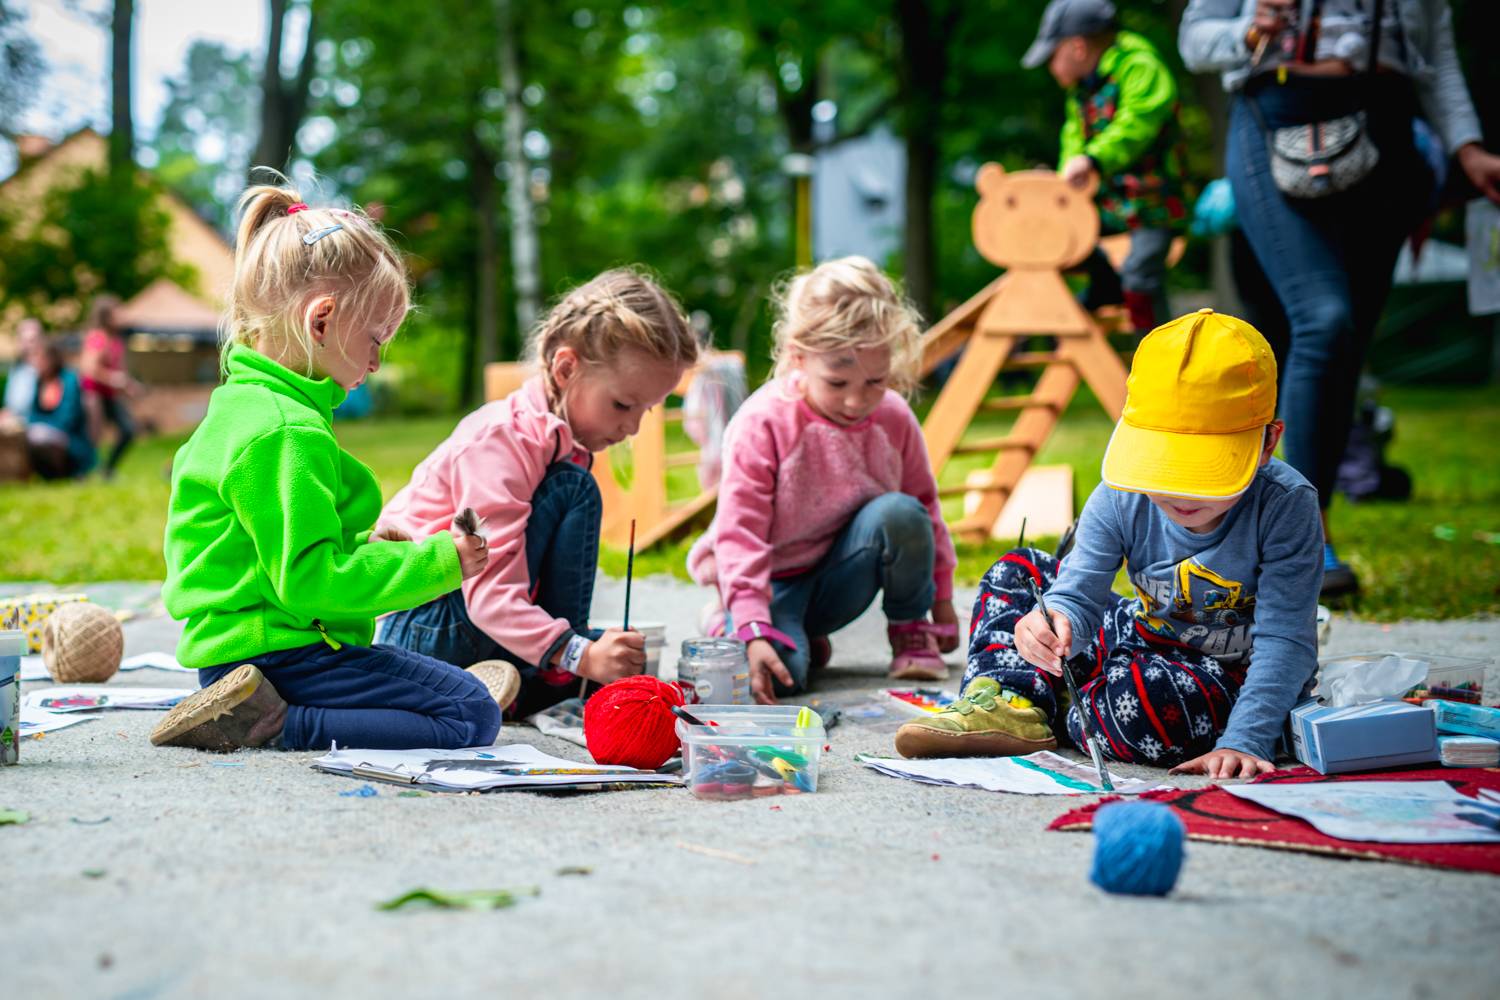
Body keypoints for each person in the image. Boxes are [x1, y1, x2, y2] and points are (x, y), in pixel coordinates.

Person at [896, 310, 1323, 779]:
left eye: (1205, 470)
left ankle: (1055, 702)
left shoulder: (1286, 505)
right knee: (1017, 572)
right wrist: (1054, 622)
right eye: (1164, 464)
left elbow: (1285, 641)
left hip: (1224, 679)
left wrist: (1246, 738)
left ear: (1267, 443)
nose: (1179, 491)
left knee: (1145, 701)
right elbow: (1078, 596)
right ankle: (1014, 703)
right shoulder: (1121, 493)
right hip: (1137, 640)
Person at [150, 182, 497, 753]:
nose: (376, 362)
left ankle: (271, 710)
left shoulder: (242, 407)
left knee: (441, 691)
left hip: (245, 653)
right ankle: (278, 723)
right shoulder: (287, 431)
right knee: (469, 712)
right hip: (280, 658)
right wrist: (439, 562)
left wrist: (367, 547)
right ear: (322, 320)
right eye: (375, 340)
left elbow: (269, 559)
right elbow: (310, 583)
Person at [1179, 0, 1500, 596]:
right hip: (1276, 117)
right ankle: (1297, 537)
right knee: (1323, 320)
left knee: (1347, 344)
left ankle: (1292, 527)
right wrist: (1249, 30)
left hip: (1387, 131)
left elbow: (1436, 58)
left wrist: (1468, 147)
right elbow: (1195, 39)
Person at [378, 269, 700, 718]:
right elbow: (489, 596)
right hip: (422, 628)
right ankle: (544, 675)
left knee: (612, 642)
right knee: (572, 487)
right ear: (566, 368)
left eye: (645, 410)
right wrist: (580, 654)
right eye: (623, 405)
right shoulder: (501, 440)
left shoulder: (554, 441)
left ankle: (535, 677)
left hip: (459, 622)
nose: (632, 427)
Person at [687, 257, 959, 705]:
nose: (856, 400)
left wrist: (941, 601)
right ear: (798, 356)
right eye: (837, 382)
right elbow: (741, 534)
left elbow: (924, 509)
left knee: (902, 513)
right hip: (770, 583)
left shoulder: (893, 417)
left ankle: (910, 632)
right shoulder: (762, 422)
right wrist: (753, 626)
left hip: (840, 577)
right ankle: (730, 622)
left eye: (875, 381)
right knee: (777, 678)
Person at [1024, 0, 1188, 332]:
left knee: (1141, 277)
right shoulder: (1080, 90)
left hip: (1152, 204)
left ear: (1078, 47)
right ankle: (1106, 286)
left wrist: (1093, 159)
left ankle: (1159, 349)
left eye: (1052, 57)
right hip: (1106, 204)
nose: (1051, 68)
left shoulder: (1139, 66)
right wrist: (1066, 177)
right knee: (1053, 238)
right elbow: (1073, 136)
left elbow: (1139, 121)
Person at [79, 294, 140, 479]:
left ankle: (107, 469)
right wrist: (112, 378)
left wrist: (129, 386)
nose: (122, 315)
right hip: (93, 394)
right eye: (117, 312)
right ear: (107, 316)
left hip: (109, 395)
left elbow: (118, 371)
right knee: (93, 435)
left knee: (129, 429)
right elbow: (88, 368)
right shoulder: (98, 338)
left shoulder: (115, 340)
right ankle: (84, 473)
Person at [24, 337, 96, 480]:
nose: (37, 363)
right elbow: (32, 414)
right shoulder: (40, 382)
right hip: (46, 434)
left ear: (52, 359)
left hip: (71, 439)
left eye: (41, 358)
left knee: (40, 436)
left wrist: (43, 427)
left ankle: (69, 471)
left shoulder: (69, 380)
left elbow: (68, 418)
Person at [2, 318, 44, 421]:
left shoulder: (46, 372)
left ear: (41, 341)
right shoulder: (17, 370)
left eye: (31, 341)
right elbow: (10, 407)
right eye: (22, 340)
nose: (26, 346)